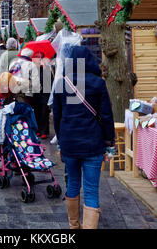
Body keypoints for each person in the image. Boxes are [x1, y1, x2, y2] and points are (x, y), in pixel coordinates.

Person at [52, 46, 115, 229]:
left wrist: (61, 141)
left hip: (69, 143)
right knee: (91, 191)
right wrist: (109, 142)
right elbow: (106, 116)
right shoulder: (98, 83)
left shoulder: (61, 84)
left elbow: (57, 116)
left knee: (72, 183)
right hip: (93, 143)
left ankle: (73, 226)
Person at [32, 51, 53, 139]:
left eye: (40, 57)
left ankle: (44, 131)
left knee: (44, 111)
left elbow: (50, 81)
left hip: (45, 92)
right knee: (37, 111)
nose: (38, 59)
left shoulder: (47, 68)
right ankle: (38, 130)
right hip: (36, 92)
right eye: (37, 57)